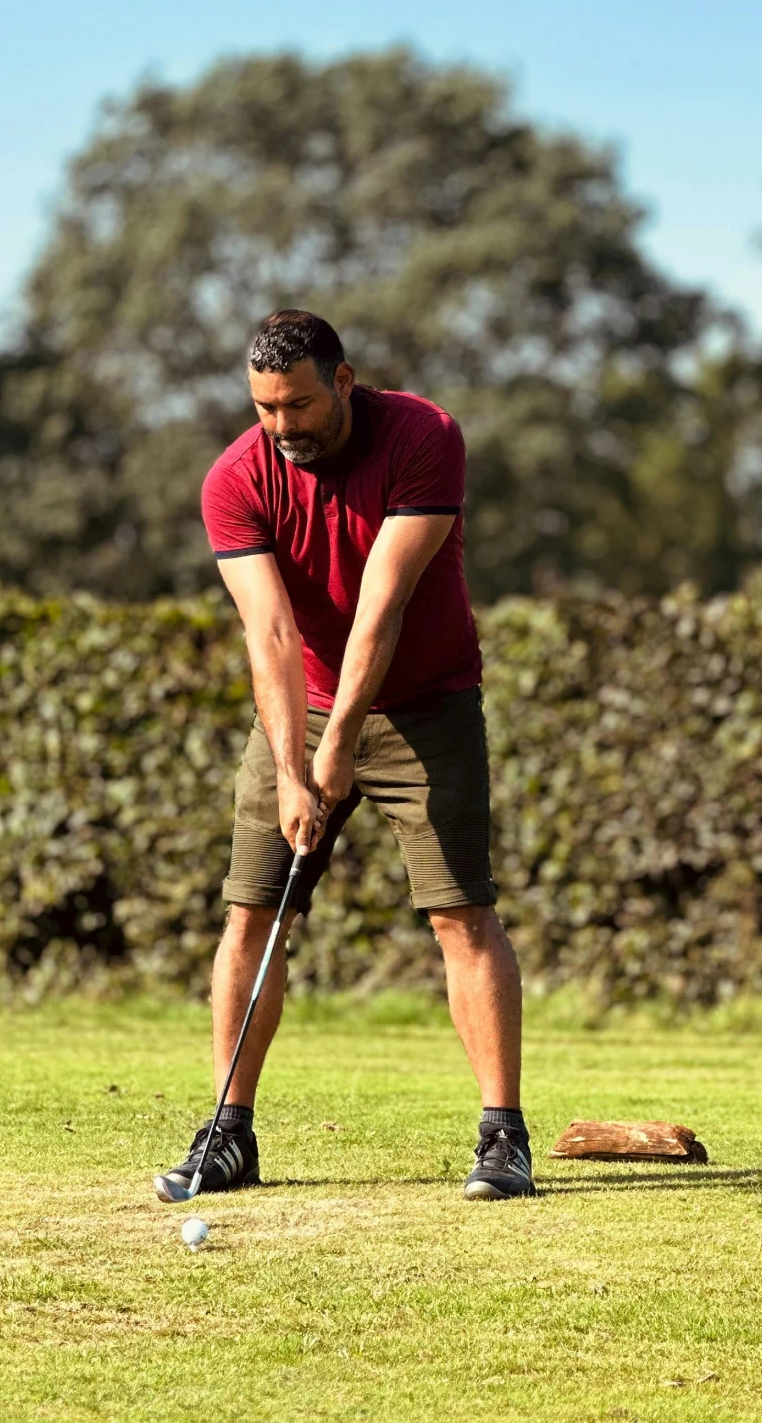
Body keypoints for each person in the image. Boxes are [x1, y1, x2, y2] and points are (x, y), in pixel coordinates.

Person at [153, 309, 534, 1204]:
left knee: (460, 916)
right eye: (263, 410)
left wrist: (342, 754)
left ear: (346, 381)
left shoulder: (424, 435)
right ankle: (230, 1134)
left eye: (296, 406)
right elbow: (273, 634)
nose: (280, 428)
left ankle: (502, 1139)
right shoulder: (234, 479)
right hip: (300, 706)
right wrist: (296, 766)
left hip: (427, 704)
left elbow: (381, 608)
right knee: (253, 915)